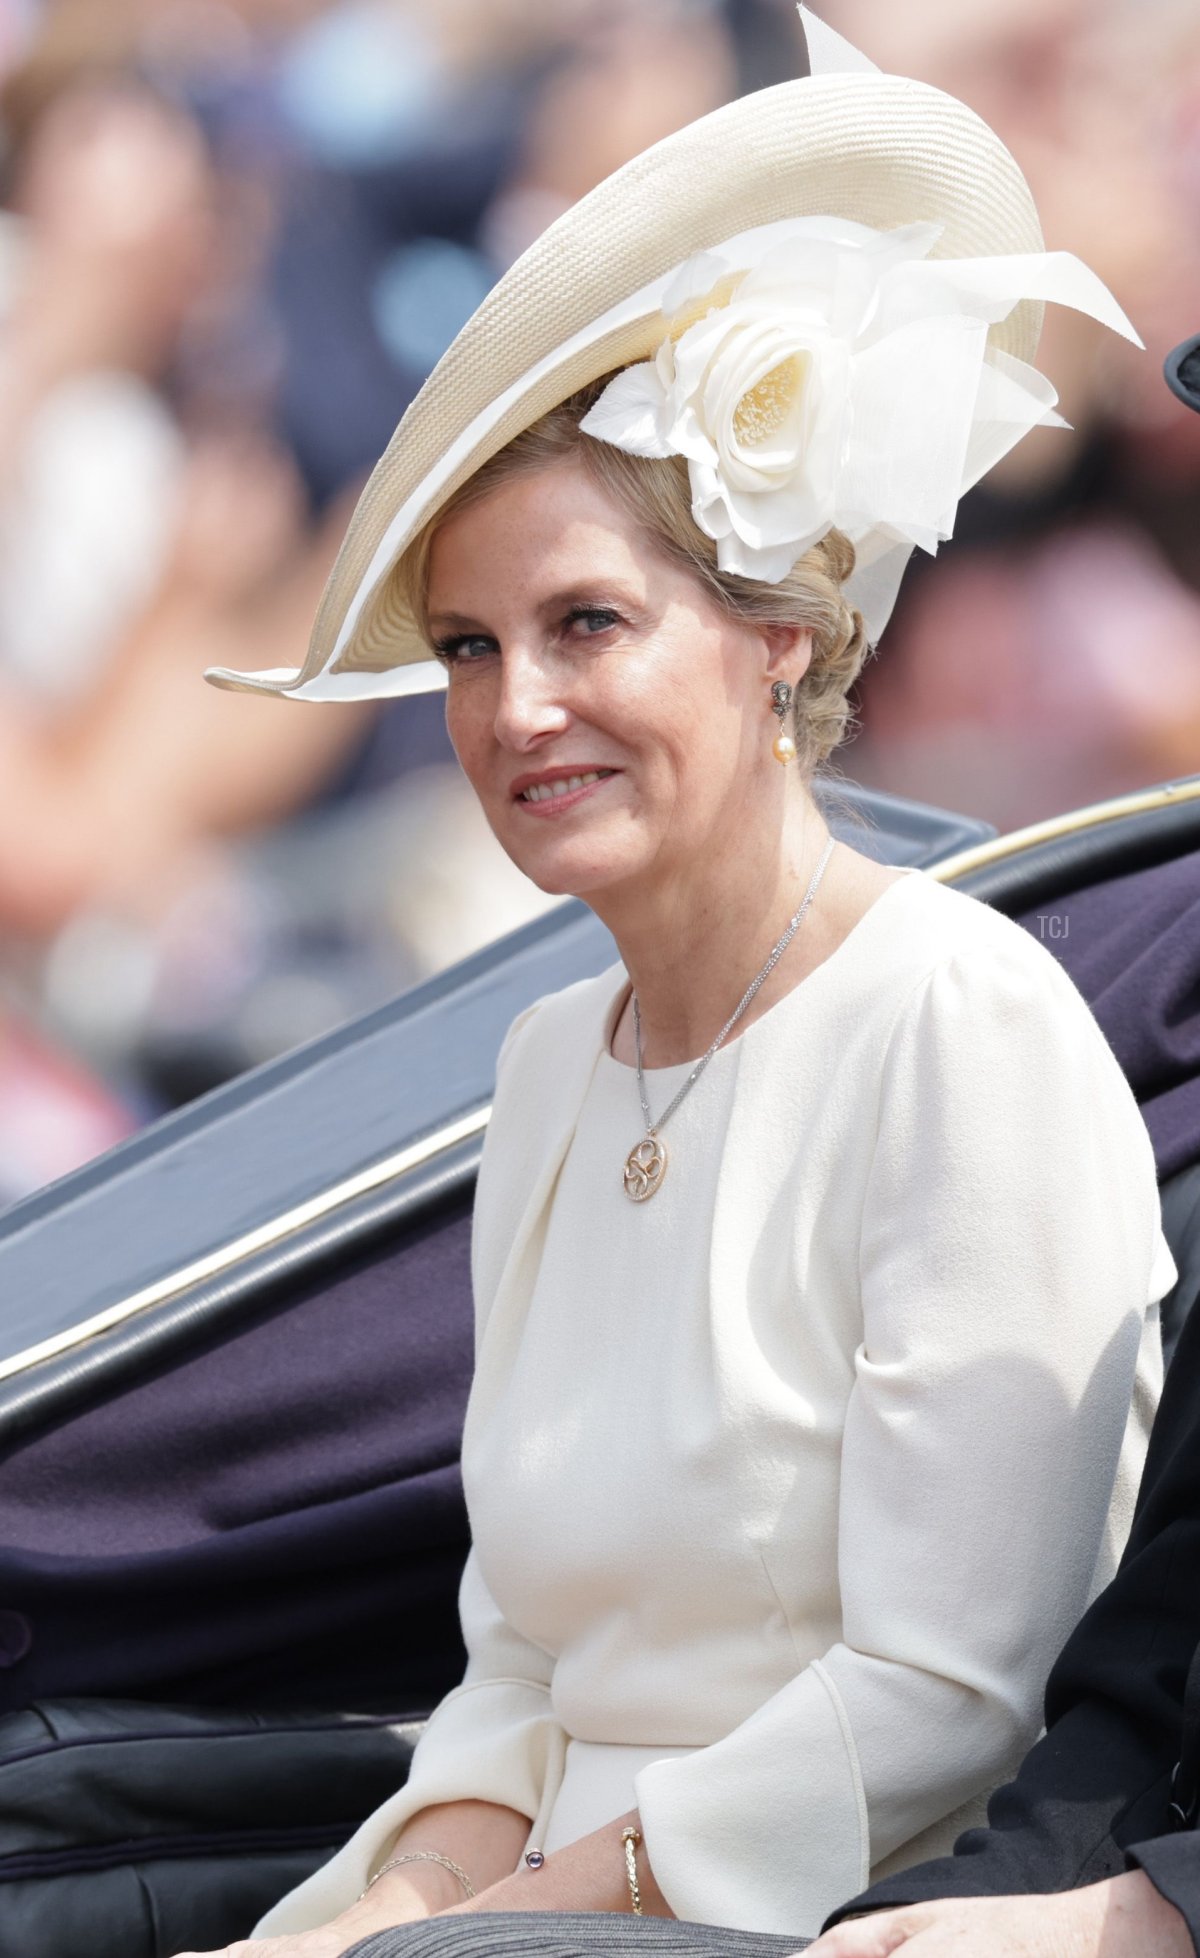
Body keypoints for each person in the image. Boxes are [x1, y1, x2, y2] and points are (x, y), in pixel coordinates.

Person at [182, 11, 1176, 1957]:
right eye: (468, 646)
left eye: (587, 624)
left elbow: (938, 1706)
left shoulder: (957, 1026)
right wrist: (375, 1914)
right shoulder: (554, 1057)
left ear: (782, 642)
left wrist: (492, 1927)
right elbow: (516, 1677)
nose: (515, 708)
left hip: (815, 1920)